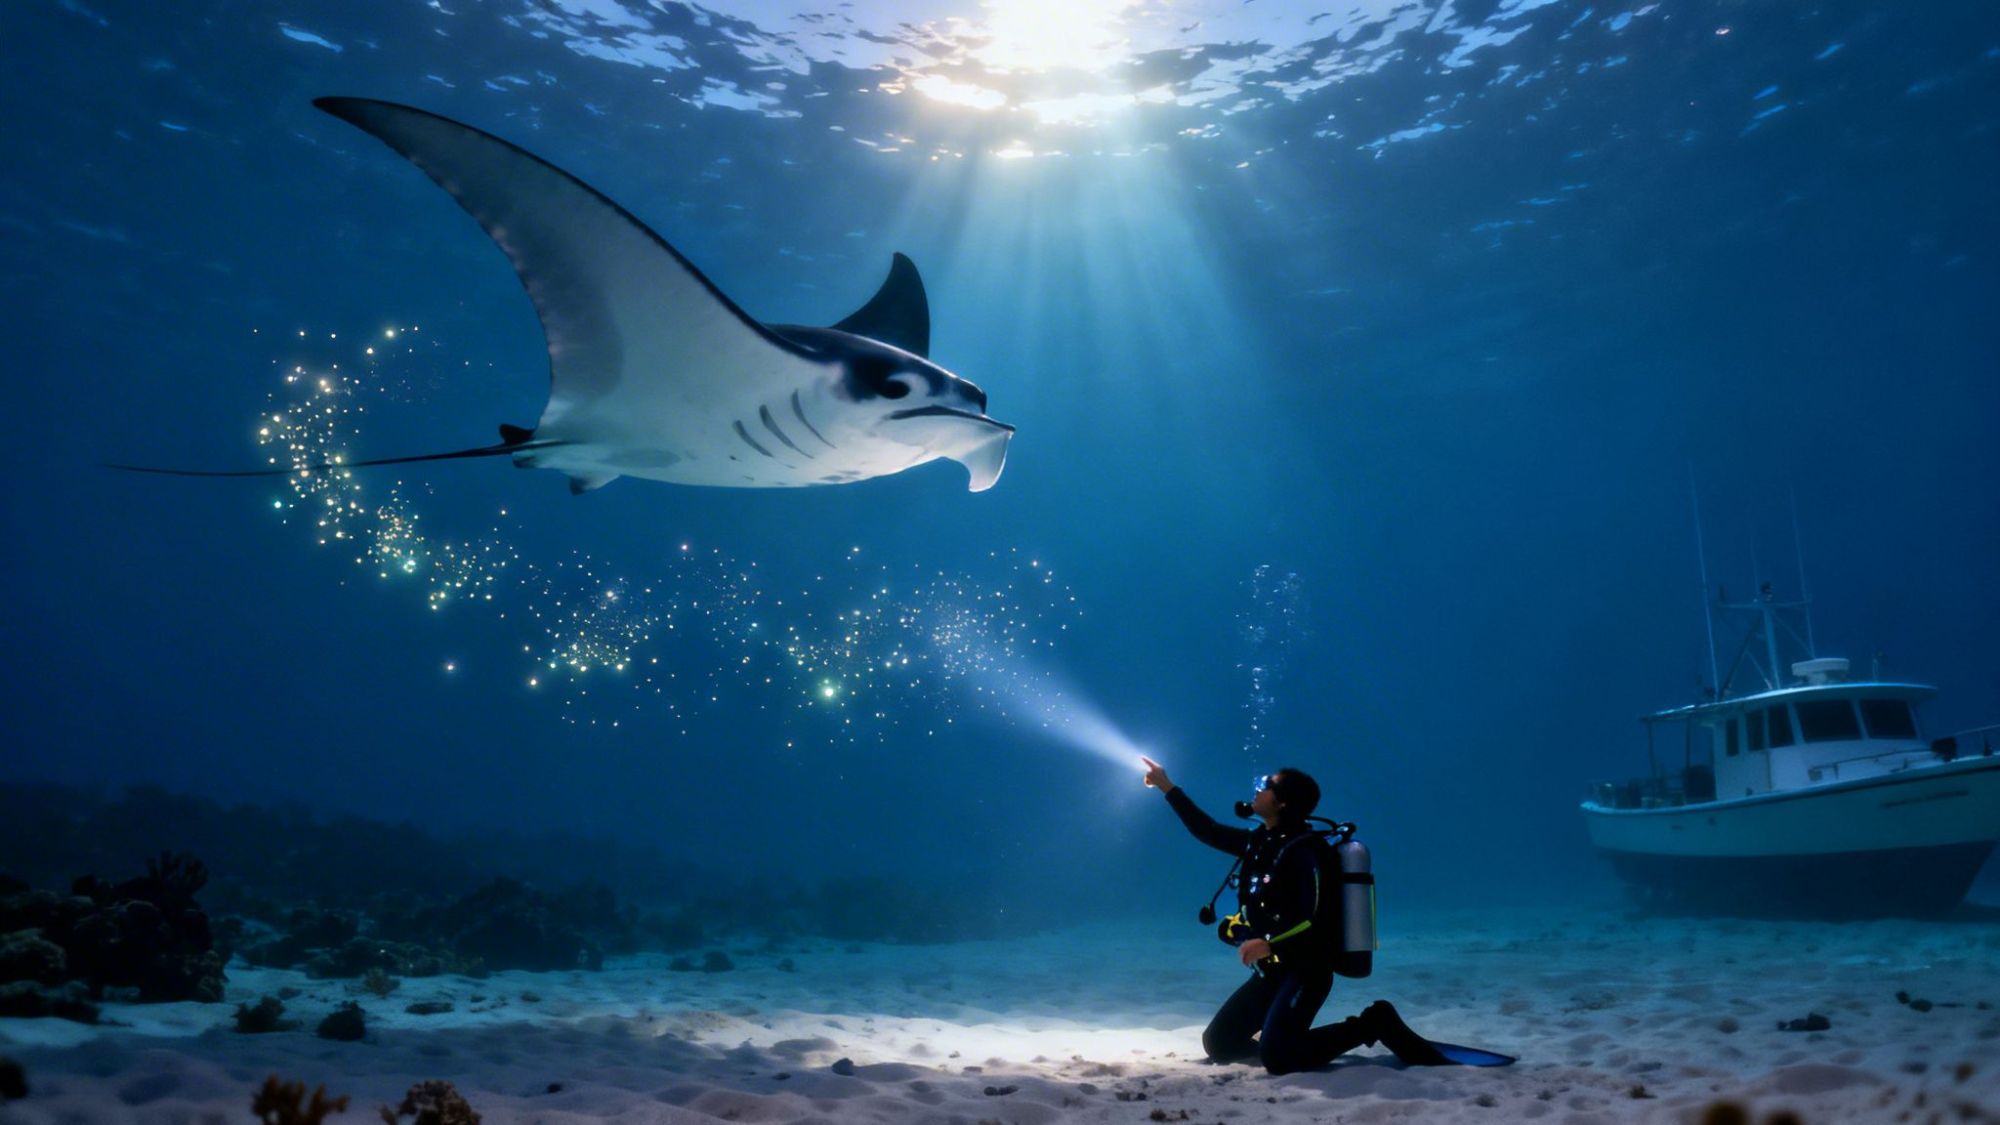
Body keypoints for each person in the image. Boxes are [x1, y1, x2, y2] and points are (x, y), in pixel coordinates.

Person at [1141, 755, 1475, 1074]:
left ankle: (1371, 1023)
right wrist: (1166, 786)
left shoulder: (1308, 851)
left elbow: (1315, 919)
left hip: (1306, 970)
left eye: (1267, 784)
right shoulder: (1261, 843)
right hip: (1270, 973)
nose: (1258, 787)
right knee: (1220, 1044)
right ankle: (1286, 1042)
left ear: (1282, 802)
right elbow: (1207, 830)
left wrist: (1269, 944)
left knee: (1278, 1059)